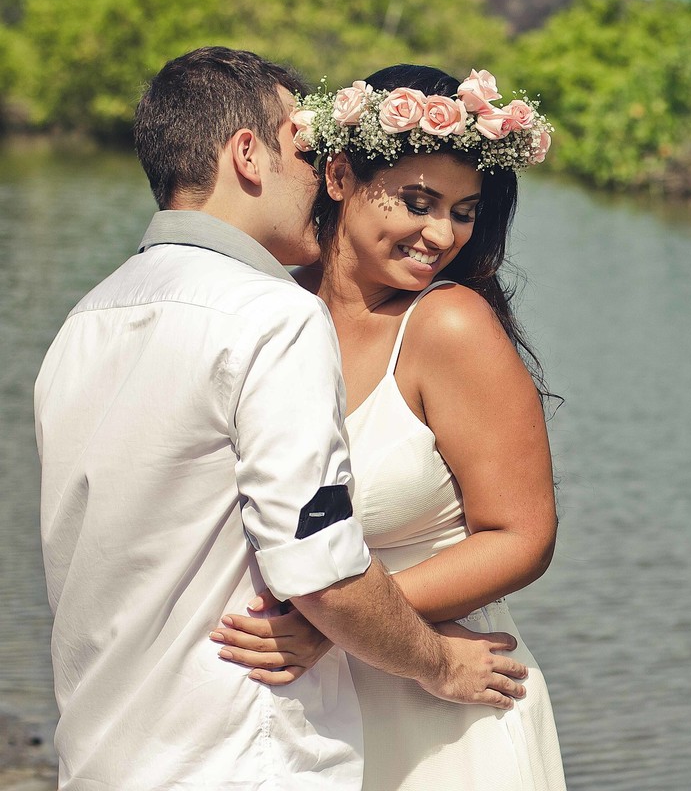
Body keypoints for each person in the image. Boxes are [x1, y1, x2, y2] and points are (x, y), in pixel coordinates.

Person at [34, 47, 529, 790]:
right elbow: (320, 575)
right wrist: (439, 662)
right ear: (248, 156)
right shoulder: (275, 317)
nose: (320, 170)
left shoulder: (85, 320)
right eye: (305, 149)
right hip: (243, 746)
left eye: (462, 213)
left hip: (110, 749)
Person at [211, 64, 566, 790]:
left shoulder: (449, 325)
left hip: (445, 716)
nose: (442, 234)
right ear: (338, 176)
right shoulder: (264, 313)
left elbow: (522, 538)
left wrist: (342, 621)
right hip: (295, 721)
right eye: (418, 201)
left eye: (464, 211)